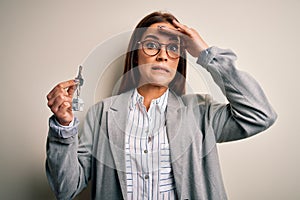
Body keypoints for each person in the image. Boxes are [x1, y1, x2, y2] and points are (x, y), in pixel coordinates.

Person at [46, 11, 277, 200]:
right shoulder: (101, 115)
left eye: (174, 48)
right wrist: (63, 127)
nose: (162, 55)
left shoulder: (201, 111)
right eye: (151, 45)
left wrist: (206, 54)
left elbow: (260, 114)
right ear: (136, 54)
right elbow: (66, 189)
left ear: (180, 59)